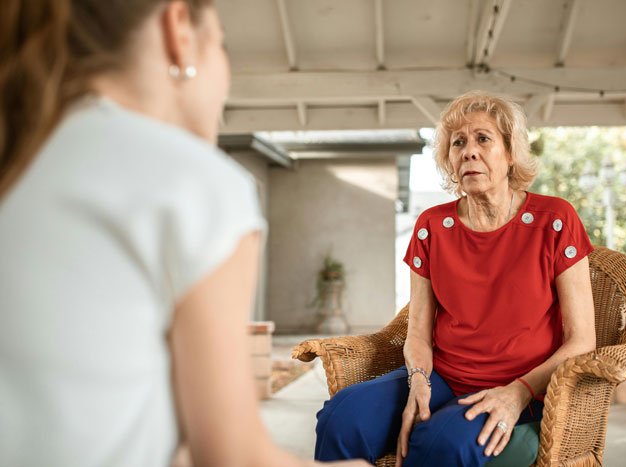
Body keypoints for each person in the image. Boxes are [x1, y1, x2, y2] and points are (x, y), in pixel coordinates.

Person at [0, 1, 368, 466]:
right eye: (222, 43)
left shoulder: (17, 156)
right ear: (180, 30)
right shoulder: (192, 181)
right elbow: (231, 458)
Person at [314, 91, 596, 467]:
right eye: (458, 143)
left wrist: (519, 393)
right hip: (440, 376)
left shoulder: (555, 220)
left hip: (519, 384)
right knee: (341, 419)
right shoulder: (432, 226)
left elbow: (582, 340)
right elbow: (417, 332)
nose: (468, 151)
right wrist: (418, 380)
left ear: (510, 153)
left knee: (438, 445)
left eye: (483, 139)